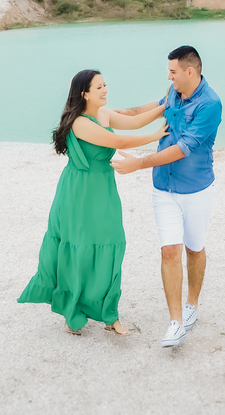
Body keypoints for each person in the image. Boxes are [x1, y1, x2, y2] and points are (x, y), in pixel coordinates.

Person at [18, 69, 168, 335]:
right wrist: (155, 137)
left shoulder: (104, 114)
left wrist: (166, 105)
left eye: (104, 85)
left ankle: (110, 313)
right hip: (79, 191)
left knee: (113, 242)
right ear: (84, 94)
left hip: (103, 188)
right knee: (78, 248)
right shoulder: (80, 123)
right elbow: (118, 140)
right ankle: (73, 311)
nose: (105, 90)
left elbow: (134, 121)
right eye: (99, 87)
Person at [111, 45, 222, 348]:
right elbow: (149, 110)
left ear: (190, 71)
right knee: (169, 251)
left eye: (173, 72)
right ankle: (175, 323)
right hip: (163, 188)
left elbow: (182, 148)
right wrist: (107, 114)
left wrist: (138, 163)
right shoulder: (173, 92)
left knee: (194, 248)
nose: (169, 76)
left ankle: (192, 304)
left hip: (197, 189)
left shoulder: (210, 105)